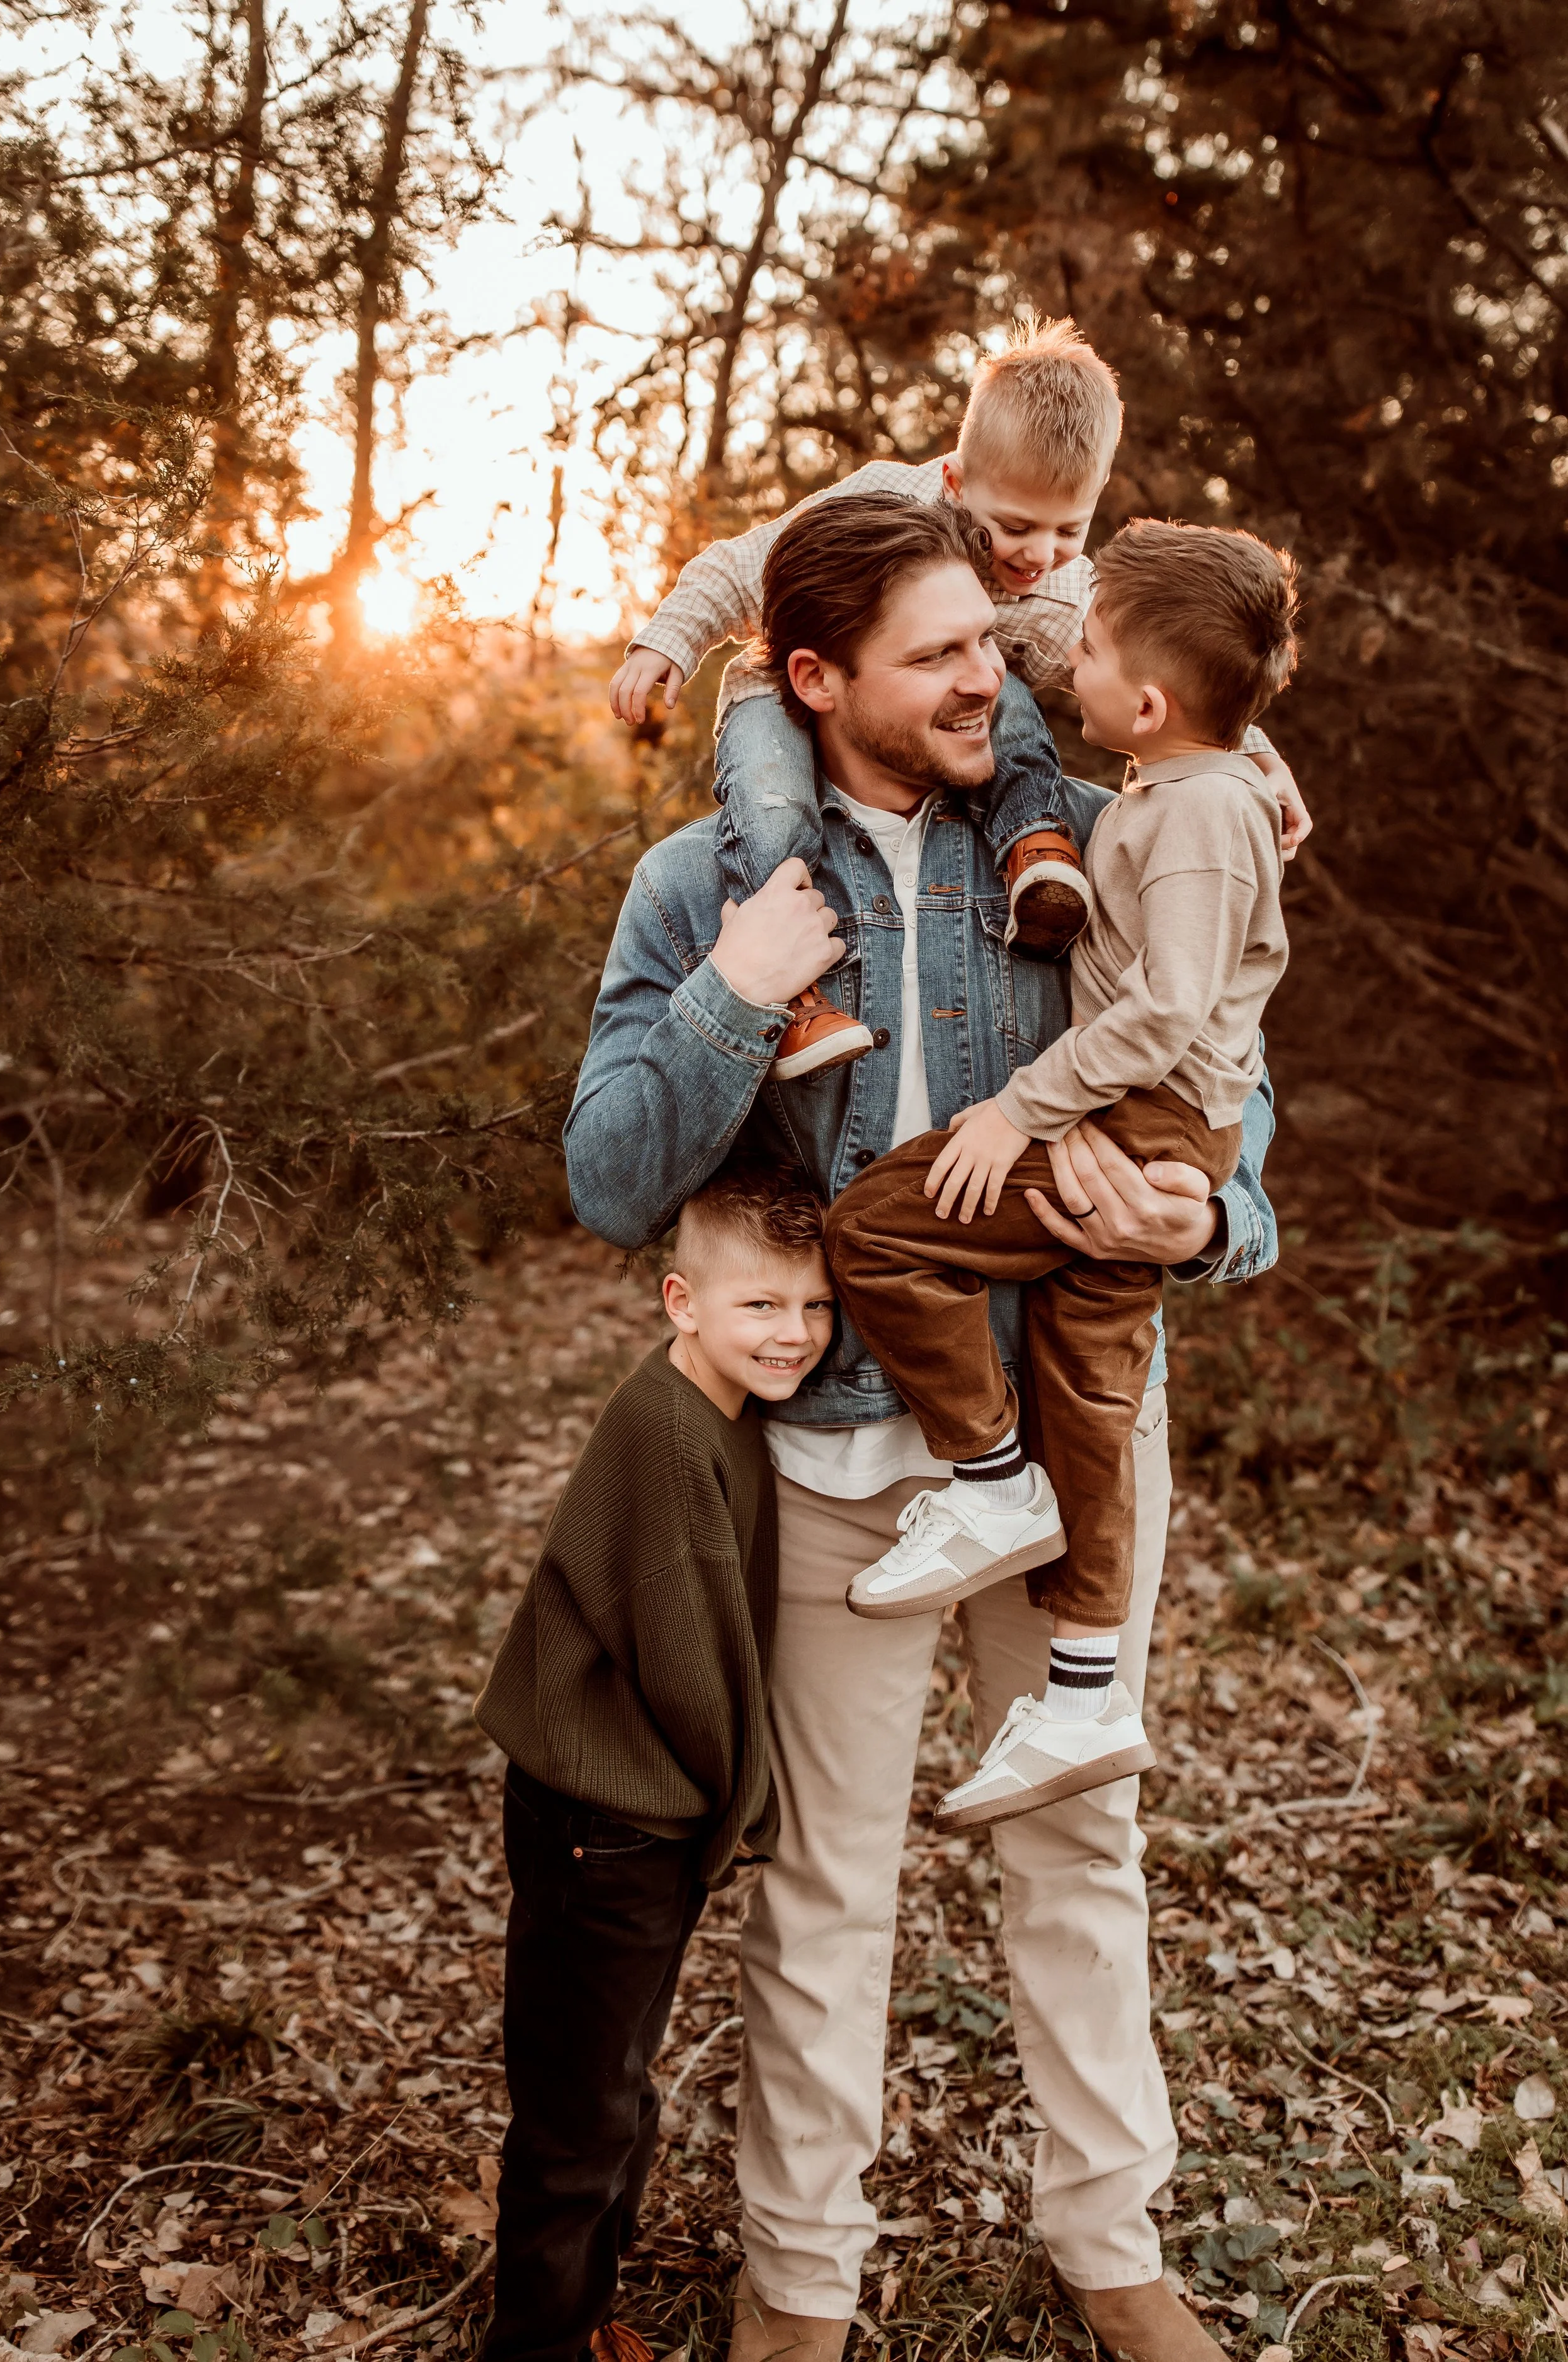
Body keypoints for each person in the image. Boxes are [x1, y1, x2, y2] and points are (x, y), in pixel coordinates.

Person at [565, 489, 1280, 2362]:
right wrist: (733, 994)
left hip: (1065, 1429)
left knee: (1079, 1842)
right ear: (811, 681)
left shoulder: (1078, 851)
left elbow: (1227, 1082)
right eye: (941, 654)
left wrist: (1208, 1215)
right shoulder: (700, 882)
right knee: (824, 1881)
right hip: (837, 1462)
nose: (994, 673)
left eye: (994, 635)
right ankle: (797, 2285)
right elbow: (607, 1175)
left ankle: (1110, 2240)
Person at [825, 517, 1297, 1832]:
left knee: (874, 1228)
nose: (1056, 670)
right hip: (1142, 1120)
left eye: (1081, 652)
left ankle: (987, 1481)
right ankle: (1088, 1692)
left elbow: (1169, 1007)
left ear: (1142, 702)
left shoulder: (1197, 815)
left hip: (1133, 1125)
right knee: (1089, 1389)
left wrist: (1014, 1113)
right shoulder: (1183, 789)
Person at [607, 315, 1310, 1083]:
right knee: (773, 808)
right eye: (1015, 526)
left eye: (1067, 530)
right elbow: (739, 569)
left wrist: (1249, 752)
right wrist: (668, 639)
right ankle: (791, 991)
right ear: (955, 482)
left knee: (1006, 693)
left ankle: (1033, 846)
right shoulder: (877, 505)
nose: (1038, 555)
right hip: (771, 694)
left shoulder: (1054, 587)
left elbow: (1164, 682)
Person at [473, 1162, 835, 2362]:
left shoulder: (726, 1411)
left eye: (815, 1307)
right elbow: (692, 1666)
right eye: (761, 1308)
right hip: (604, 1825)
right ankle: (539, 2343)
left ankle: (583, 2315)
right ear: (681, 1301)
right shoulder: (668, 1436)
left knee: (619, 2086)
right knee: (581, 2117)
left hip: (636, 1816)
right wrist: (751, 1811)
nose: (795, 1335)